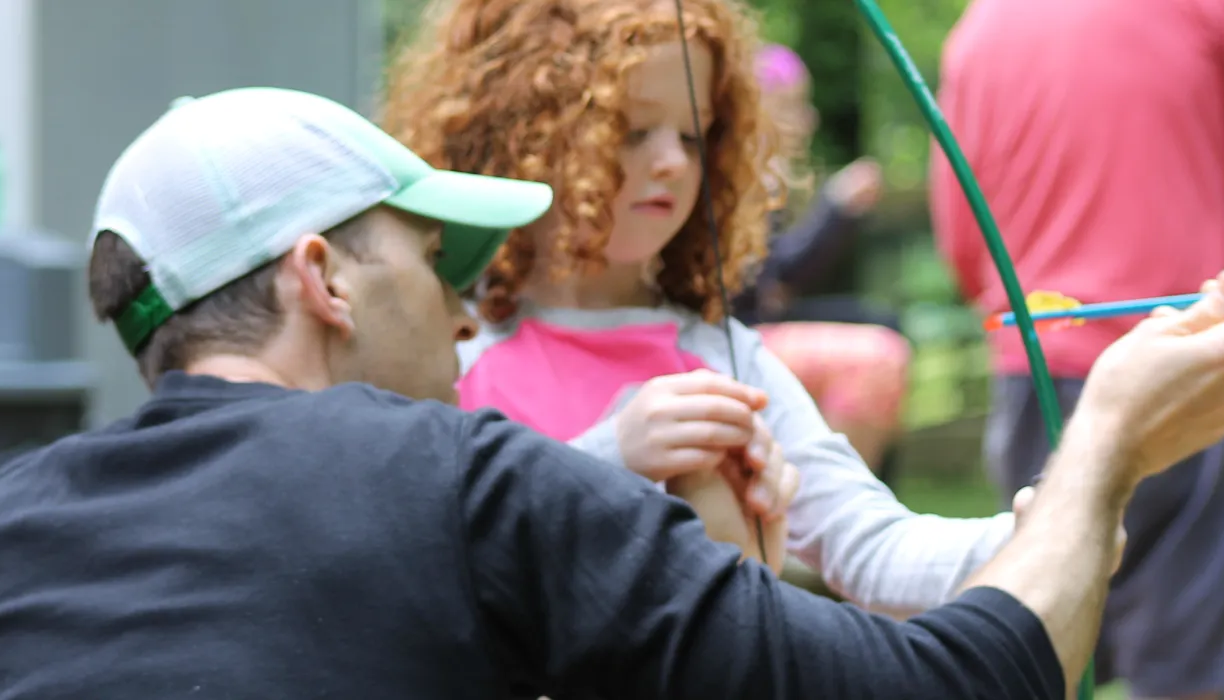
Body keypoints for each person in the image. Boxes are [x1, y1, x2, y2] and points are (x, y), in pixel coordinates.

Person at [0, 85, 1224, 700]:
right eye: (434, 255)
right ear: (323, 277)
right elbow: (964, 686)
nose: (465, 301)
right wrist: (1108, 443)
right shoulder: (450, 483)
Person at [381, 0, 1006, 618]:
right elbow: (421, 558)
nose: (674, 162)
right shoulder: (453, 347)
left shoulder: (720, 357)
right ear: (523, 135)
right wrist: (609, 458)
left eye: (692, 134)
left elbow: (876, 549)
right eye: (631, 129)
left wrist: (1053, 517)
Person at [927, 0, 1224, 697]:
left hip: (1035, 388)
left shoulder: (981, 26)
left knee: (1041, 668)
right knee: (1201, 678)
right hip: (1185, 377)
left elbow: (966, 252)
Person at [734, 43, 910, 477]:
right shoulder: (738, 180)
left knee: (886, 321)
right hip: (740, 330)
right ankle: (840, 496)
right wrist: (834, 208)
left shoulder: (764, 178)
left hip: (759, 318)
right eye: (792, 107)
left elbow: (780, 279)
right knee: (880, 349)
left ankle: (873, 493)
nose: (807, 120)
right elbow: (779, 279)